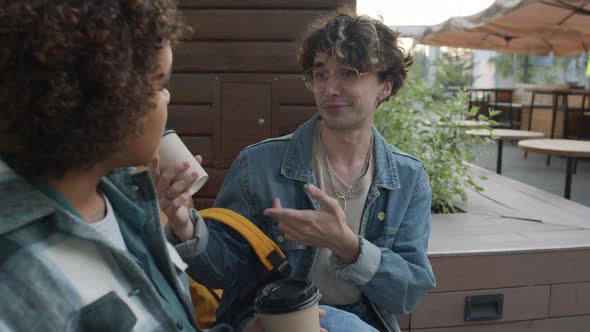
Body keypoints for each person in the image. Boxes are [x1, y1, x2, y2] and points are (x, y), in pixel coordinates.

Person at [159, 9, 436, 332]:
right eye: (320, 74)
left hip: (361, 320)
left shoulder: (408, 179)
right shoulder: (258, 165)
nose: (329, 88)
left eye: (348, 72)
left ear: (385, 87)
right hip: (271, 320)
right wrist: (184, 226)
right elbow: (222, 272)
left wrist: (347, 245)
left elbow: (408, 293)